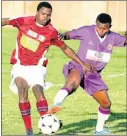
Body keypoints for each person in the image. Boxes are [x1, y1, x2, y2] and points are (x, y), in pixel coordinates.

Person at [2, 2, 93, 136]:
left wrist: (81, 62)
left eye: (48, 15)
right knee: (22, 91)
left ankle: (46, 123)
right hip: (20, 66)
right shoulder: (23, 21)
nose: (45, 17)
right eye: (43, 13)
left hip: (37, 68)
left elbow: (65, 48)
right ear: (37, 12)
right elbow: (4, 21)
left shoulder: (51, 32)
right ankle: (29, 130)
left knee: (38, 91)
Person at [49, 13, 127, 135]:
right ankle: (56, 103)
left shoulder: (113, 37)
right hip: (79, 65)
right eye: (98, 27)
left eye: (104, 28)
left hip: (93, 75)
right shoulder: (86, 31)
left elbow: (125, 41)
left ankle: (99, 130)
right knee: (72, 84)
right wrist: (61, 35)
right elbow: (68, 35)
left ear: (109, 27)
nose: (101, 31)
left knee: (106, 103)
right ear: (95, 24)